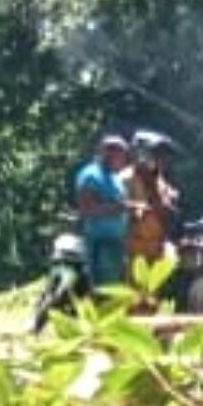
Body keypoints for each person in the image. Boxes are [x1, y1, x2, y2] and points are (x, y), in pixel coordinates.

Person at [69, 133, 133, 310]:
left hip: (116, 244)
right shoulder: (91, 175)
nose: (123, 160)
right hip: (99, 244)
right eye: (119, 155)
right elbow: (86, 208)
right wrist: (116, 209)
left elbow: (120, 205)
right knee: (103, 289)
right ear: (106, 153)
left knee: (116, 290)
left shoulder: (115, 178)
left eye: (124, 155)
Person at [124, 134, 182, 291]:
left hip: (156, 250)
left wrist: (169, 209)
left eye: (166, 156)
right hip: (132, 252)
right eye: (159, 154)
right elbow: (115, 208)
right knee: (132, 296)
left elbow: (168, 211)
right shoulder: (126, 179)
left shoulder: (160, 182)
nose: (163, 160)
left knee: (152, 298)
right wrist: (138, 208)